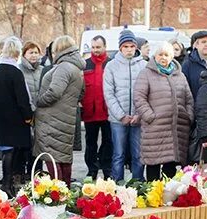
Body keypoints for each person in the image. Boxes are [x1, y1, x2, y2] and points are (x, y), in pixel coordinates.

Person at [134, 41, 193, 180]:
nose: (163, 58)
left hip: (176, 128)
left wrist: (188, 115)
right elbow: (139, 97)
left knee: (170, 164)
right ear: (155, 56)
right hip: (155, 127)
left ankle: (169, 196)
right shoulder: (146, 74)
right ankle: (153, 195)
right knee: (153, 163)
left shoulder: (180, 75)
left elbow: (189, 98)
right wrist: (149, 116)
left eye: (166, 55)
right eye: (160, 54)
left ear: (171, 57)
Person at [33, 36, 85, 182]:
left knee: (53, 160)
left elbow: (54, 92)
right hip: (66, 119)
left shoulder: (64, 67)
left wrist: (38, 101)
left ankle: (58, 198)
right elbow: (81, 93)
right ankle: (65, 195)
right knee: (64, 159)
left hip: (52, 121)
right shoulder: (76, 68)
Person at [0, 37, 34, 193]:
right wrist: (28, 116)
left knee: (6, 150)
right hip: (16, 119)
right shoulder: (15, 72)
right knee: (13, 153)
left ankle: (6, 183)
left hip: (1, 118)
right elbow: (23, 98)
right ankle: (9, 184)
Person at [104, 29, 147, 182]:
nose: (129, 49)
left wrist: (139, 115)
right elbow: (109, 93)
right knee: (118, 154)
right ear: (120, 48)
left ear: (136, 47)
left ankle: (138, 185)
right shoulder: (111, 66)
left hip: (138, 118)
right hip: (118, 120)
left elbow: (147, 92)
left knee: (138, 154)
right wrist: (121, 115)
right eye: (125, 46)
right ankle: (117, 185)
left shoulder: (144, 66)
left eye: (131, 46)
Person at [81, 35, 112, 179]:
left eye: (98, 47)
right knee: (90, 142)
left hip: (108, 111)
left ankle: (107, 168)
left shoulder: (111, 64)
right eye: (93, 47)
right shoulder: (84, 65)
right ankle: (92, 169)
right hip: (90, 111)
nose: (95, 50)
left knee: (108, 141)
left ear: (104, 47)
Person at [182, 29, 207, 98]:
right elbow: (184, 90)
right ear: (196, 45)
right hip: (196, 106)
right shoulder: (187, 64)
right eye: (203, 42)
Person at [20, 42, 45, 108]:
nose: (34, 55)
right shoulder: (18, 70)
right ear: (24, 54)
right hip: (25, 109)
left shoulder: (43, 70)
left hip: (41, 109)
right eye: (31, 53)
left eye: (36, 53)